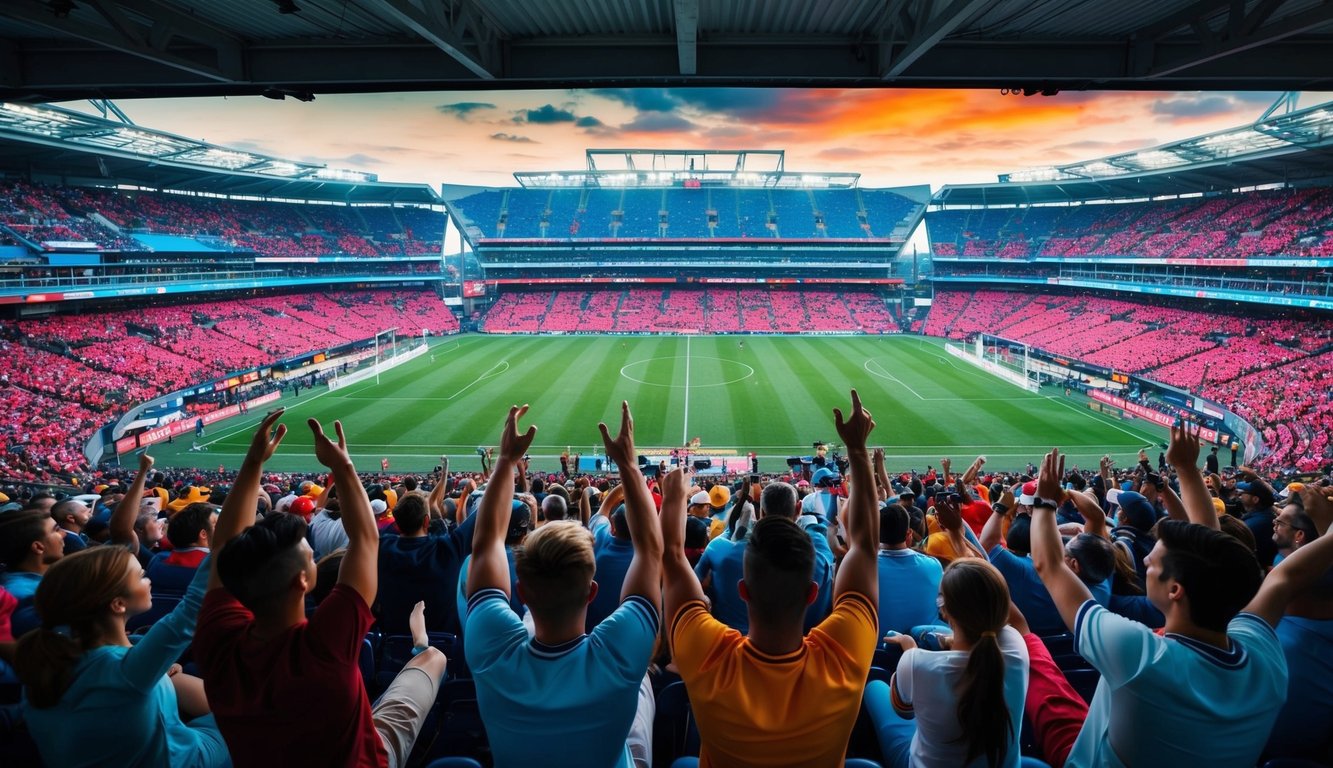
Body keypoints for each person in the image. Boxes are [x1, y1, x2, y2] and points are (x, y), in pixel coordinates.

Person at [1030, 424, 1333, 768]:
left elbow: (1049, 565)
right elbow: (1274, 572)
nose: (1145, 560)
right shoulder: (1261, 657)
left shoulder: (1141, 656)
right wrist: (1187, 470)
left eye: (1154, 562)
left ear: (1176, 590)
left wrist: (1042, 500)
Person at [194, 410, 447, 768]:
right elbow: (366, 539)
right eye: (309, 556)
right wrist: (341, 465)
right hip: (368, 758)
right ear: (302, 580)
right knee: (433, 659)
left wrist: (254, 464)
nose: (314, 557)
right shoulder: (323, 644)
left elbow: (224, 549)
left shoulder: (217, 640)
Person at [660, 390, 879, 766]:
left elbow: (669, 556)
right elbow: (865, 546)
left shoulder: (709, 655)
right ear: (813, 594)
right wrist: (857, 452)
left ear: (743, 591)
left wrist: (676, 494)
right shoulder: (843, 656)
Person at [464, 402, 660, 768]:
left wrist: (506, 460)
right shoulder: (618, 657)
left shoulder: (491, 650)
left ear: (521, 593)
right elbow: (651, 551)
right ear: (592, 591)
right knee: (644, 687)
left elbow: (486, 541)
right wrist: (629, 464)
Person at [15, 545, 228, 767]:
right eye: (141, 576)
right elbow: (194, 606)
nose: (149, 579)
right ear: (118, 604)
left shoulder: (44, 662)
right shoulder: (124, 670)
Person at [865, 559, 1030, 768]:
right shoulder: (1017, 647)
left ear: (945, 610)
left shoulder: (915, 663)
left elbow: (904, 711)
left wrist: (910, 649)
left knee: (874, 686)